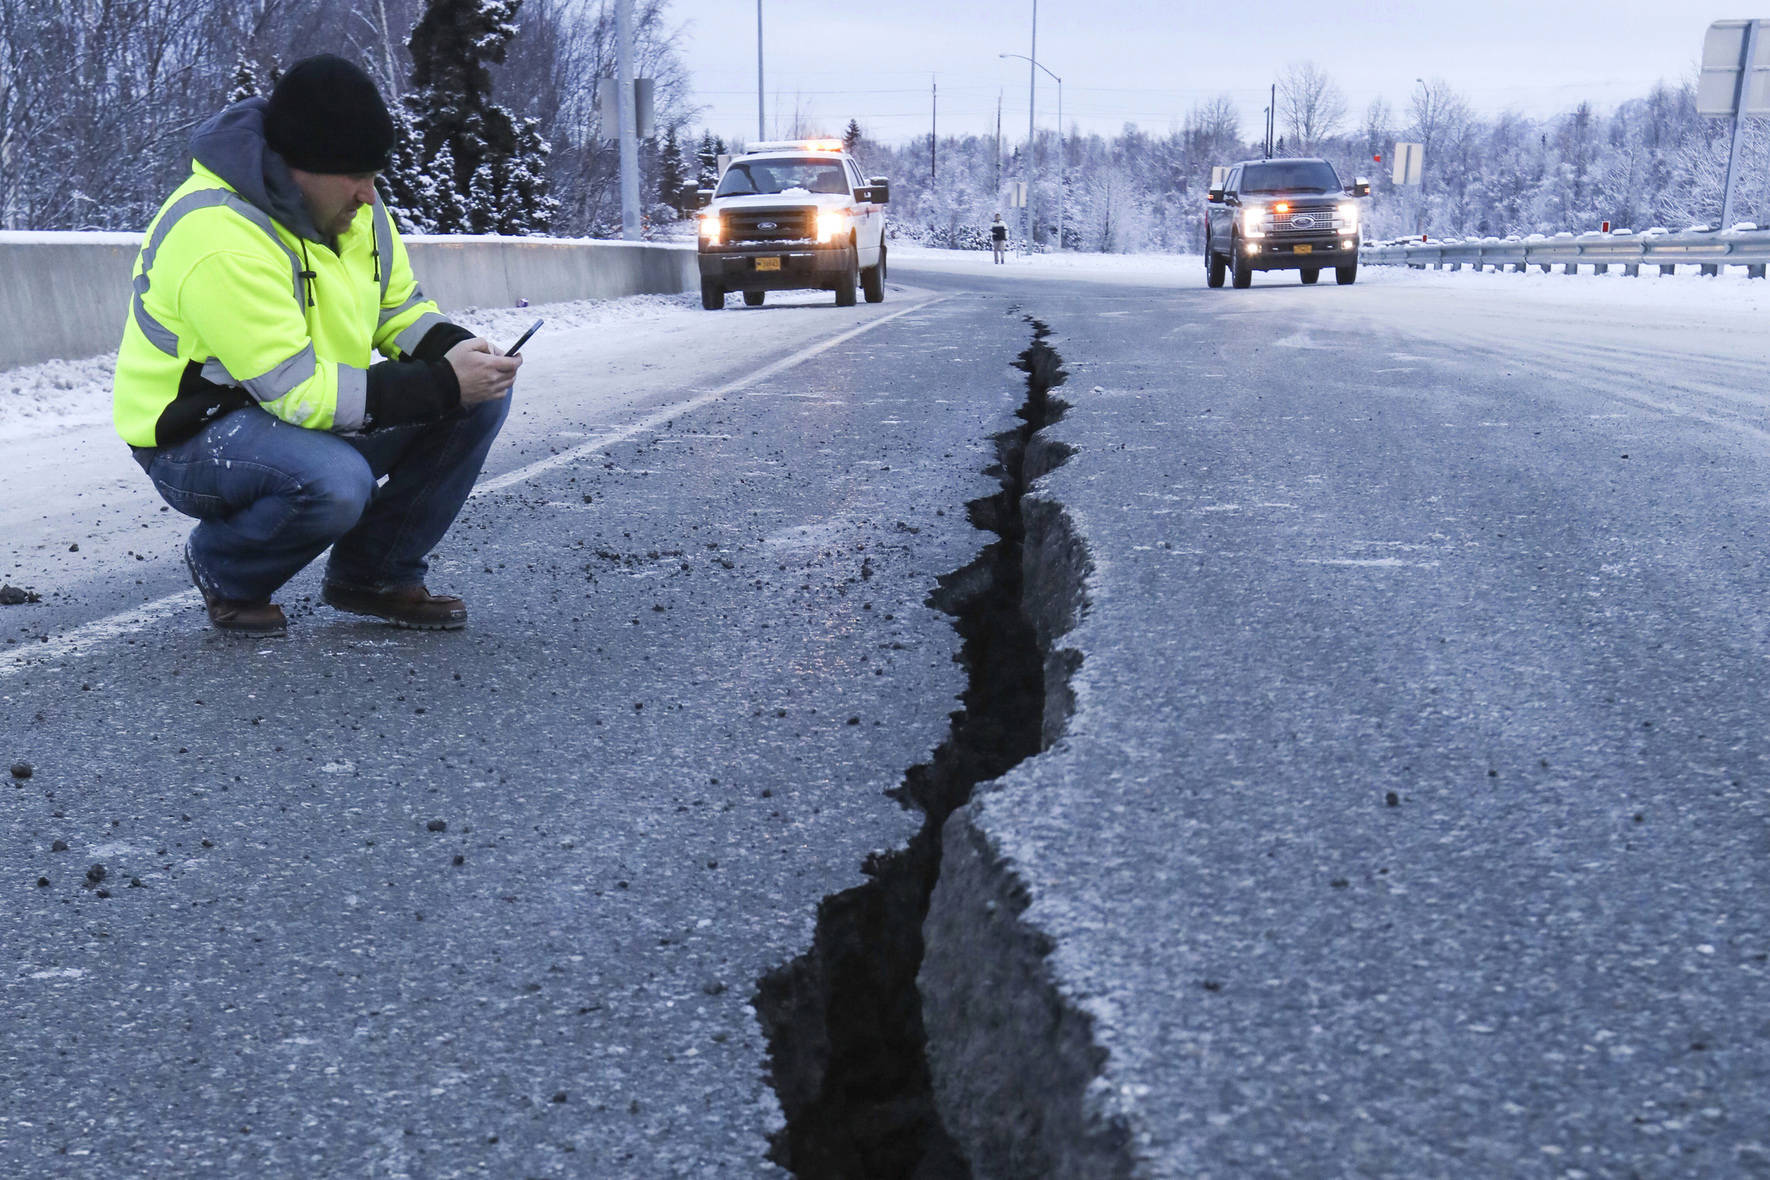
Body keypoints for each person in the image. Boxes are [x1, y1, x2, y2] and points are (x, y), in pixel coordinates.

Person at [113, 54, 519, 636]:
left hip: (294, 411)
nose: (369, 197)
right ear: (299, 167)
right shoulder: (219, 234)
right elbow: (297, 391)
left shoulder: (353, 210)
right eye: (356, 176)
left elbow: (397, 307)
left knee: (477, 398)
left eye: (374, 175)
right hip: (193, 436)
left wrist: (458, 352)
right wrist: (441, 382)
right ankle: (227, 568)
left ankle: (375, 574)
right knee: (336, 482)